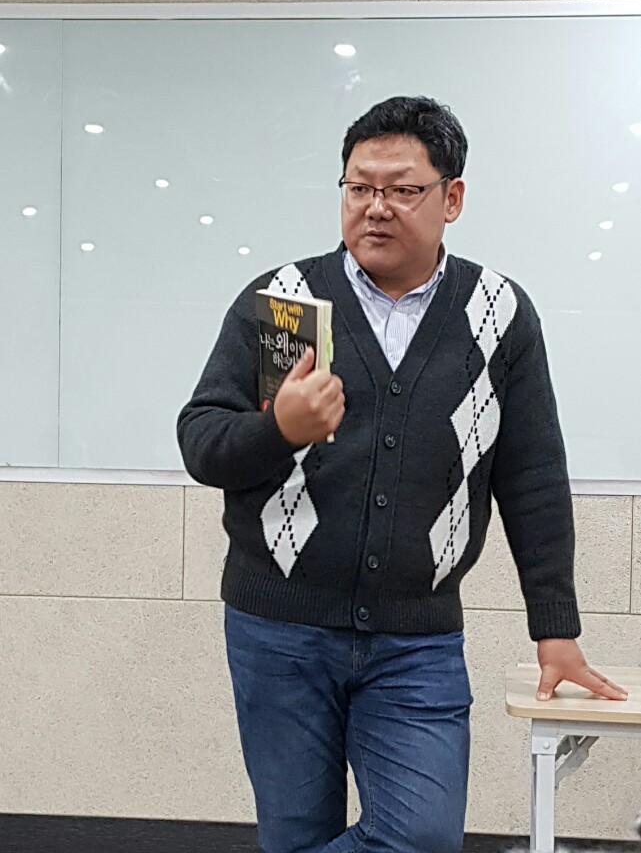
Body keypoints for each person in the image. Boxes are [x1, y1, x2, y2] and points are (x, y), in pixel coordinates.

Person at [177, 96, 627, 853]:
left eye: (402, 189)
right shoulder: (285, 303)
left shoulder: (498, 314)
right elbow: (201, 442)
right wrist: (277, 430)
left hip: (416, 640)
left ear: (452, 198)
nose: (375, 207)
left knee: (420, 837)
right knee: (295, 834)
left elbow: (533, 477)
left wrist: (555, 627)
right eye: (359, 187)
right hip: (277, 629)